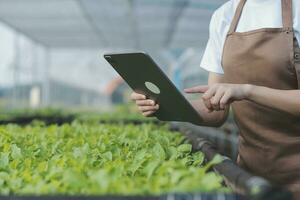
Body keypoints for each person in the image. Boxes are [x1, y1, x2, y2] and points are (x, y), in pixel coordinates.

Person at [131, 0, 300, 198]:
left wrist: (248, 91)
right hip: (250, 174)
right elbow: (216, 111)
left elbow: (242, 92)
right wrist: (166, 105)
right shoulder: (225, 15)